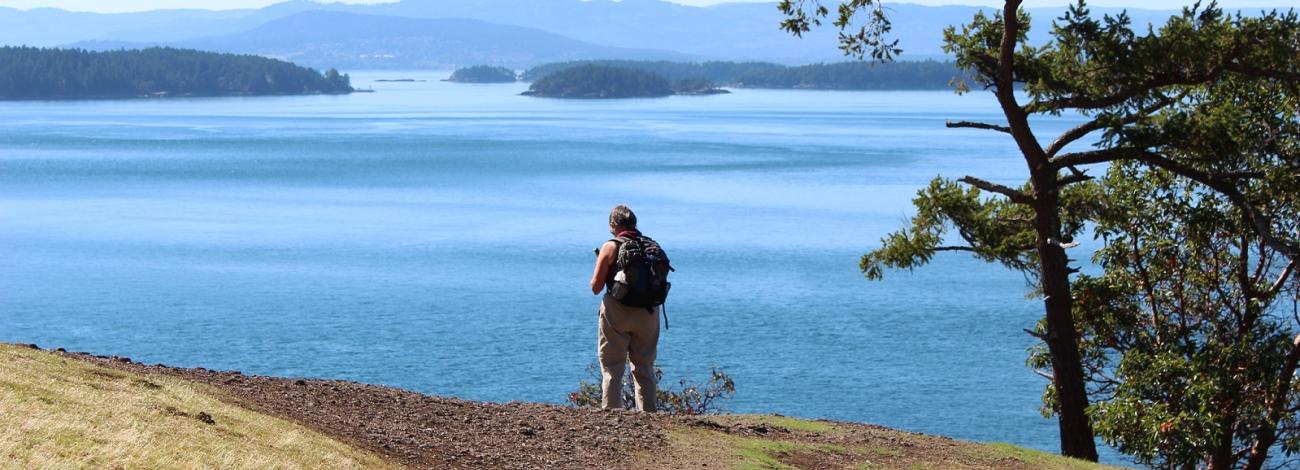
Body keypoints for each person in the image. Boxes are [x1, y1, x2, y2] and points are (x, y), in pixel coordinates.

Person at [589, 204, 660, 412]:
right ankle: (649, 416)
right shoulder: (651, 245)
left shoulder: (610, 246)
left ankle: (612, 415)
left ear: (613, 225)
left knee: (612, 366)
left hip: (617, 312)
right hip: (649, 312)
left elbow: (596, 287)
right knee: (644, 366)